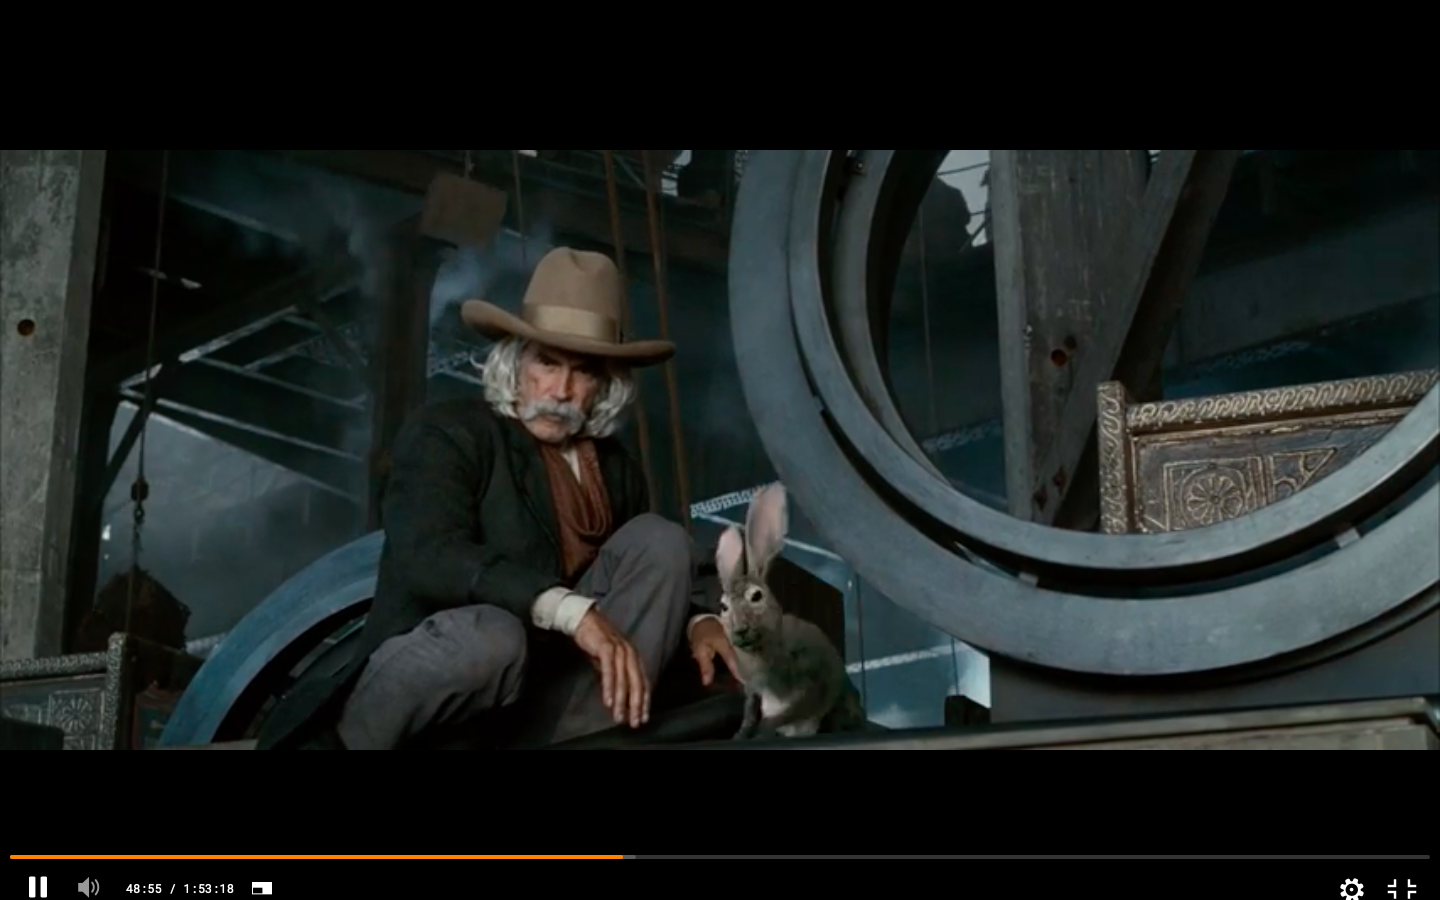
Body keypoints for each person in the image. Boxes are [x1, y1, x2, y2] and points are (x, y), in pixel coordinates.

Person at [255, 246, 739, 750]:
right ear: (515, 360)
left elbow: (651, 573)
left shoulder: (616, 469)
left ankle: (589, 743)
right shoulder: (449, 433)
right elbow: (429, 553)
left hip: (548, 710)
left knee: (660, 539)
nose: (560, 390)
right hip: (431, 701)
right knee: (493, 637)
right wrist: (570, 611)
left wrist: (698, 621)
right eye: (547, 362)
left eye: (583, 371)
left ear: (606, 384)